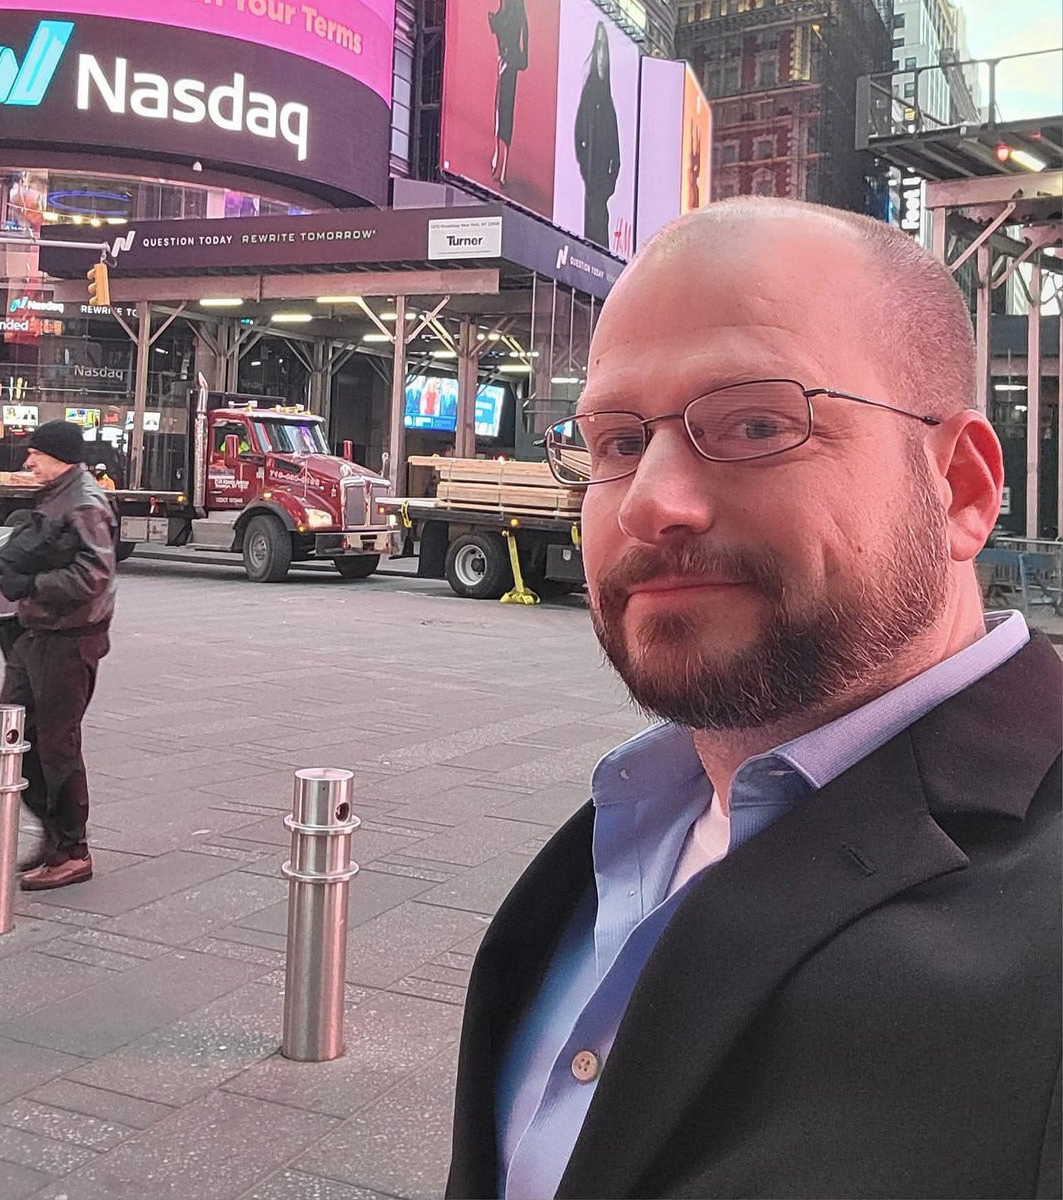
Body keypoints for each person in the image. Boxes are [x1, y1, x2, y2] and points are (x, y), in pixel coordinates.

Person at [447, 198, 1061, 1200]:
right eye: (616, 442)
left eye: (758, 424)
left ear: (959, 487)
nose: (650, 502)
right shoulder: (632, 825)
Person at [0, 419, 116, 891]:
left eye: (36, 454)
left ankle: (72, 851)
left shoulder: (84, 502)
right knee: (15, 735)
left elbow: (93, 575)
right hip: (39, 633)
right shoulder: (60, 494)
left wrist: (32, 584)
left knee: (55, 744)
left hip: (68, 638)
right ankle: (53, 838)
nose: (28, 461)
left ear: (60, 457)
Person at [574, 21, 620, 249]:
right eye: (598, 45)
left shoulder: (608, 98)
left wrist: (611, 180)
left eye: (604, 47)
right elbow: (579, 135)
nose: (601, 54)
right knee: (592, 225)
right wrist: (585, 169)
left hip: (603, 180)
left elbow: (616, 147)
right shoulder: (590, 92)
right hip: (592, 177)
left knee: (601, 225)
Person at [488, 0, 528, 187]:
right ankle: (498, 154)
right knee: (499, 106)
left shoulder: (518, 7)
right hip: (503, 60)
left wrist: (523, 57)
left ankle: (503, 163)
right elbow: (499, 28)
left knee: (505, 107)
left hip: (510, 62)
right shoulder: (504, 8)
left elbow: (524, 29)